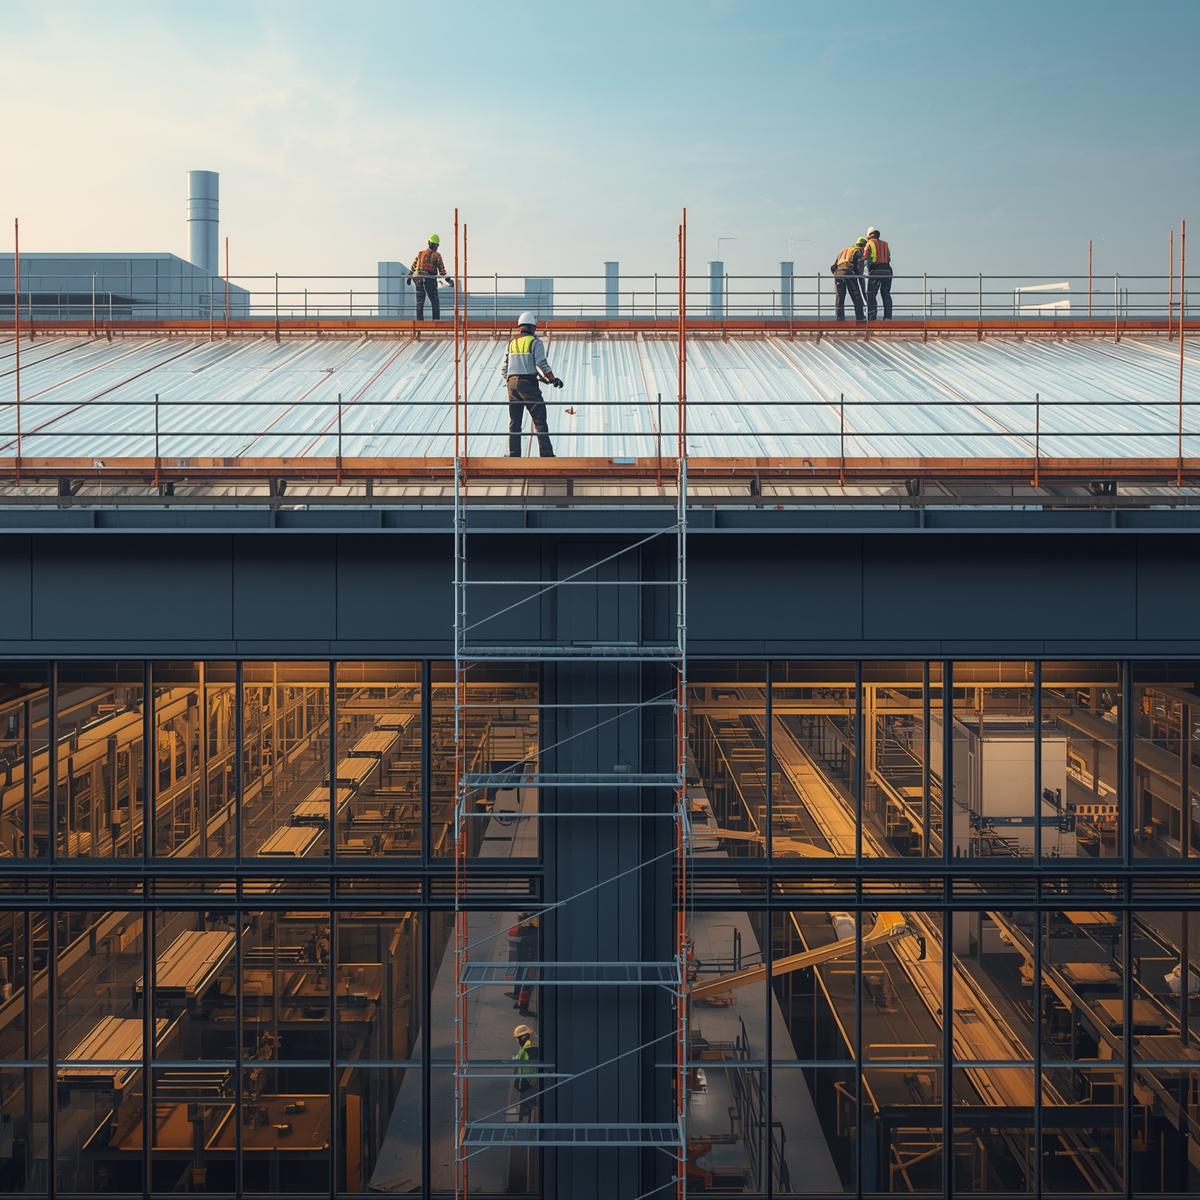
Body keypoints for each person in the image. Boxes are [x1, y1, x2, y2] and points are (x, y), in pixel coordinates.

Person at [500, 311, 562, 457]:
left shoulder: (512, 343)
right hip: (528, 384)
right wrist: (553, 379)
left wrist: (511, 380)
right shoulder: (535, 342)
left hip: (512, 385)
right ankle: (546, 454)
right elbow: (542, 363)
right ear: (533, 328)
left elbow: (504, 368)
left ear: (520, 327)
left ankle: (514, 454)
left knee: (515, 422)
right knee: (539, 419)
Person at [406, 233, 452, 320]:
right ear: (437, 245)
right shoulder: (437, 255)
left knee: (420, 301)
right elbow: (442, 270)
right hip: (430, 278)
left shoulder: (420, 254)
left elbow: (413, 266)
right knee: (434, 301)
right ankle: (436, 320)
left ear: (429, 242)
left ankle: (419, 321)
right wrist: (448, 280)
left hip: (418, 278)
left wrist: (410, 276)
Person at [505, 913, 538, 1016]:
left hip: (523, 961)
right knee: (527, 986)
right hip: (529, 962)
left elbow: (513, 944)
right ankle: (522, 1007)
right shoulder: (531, 933)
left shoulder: (520, 932)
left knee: (523, 983)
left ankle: (519, 1001)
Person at [830, 237, 866, 322]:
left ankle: (839, 319)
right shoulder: (858, 252)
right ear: (863, 246)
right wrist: (859, 277)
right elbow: (859, 269)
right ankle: (860, 319)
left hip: (838, 273)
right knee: (856, 296)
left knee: (840, 297)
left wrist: (837, 274)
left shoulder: (844, 250)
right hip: (849, 273)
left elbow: (833, 267)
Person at [863, 226, 893, 321]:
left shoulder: (869, 243)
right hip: (887, 271)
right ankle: (887, 317)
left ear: (869, 236)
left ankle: (872, 319)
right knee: (886, 294)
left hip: (875, 270)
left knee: (871, 295)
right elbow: (888, 258)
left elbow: (865, 257)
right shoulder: (885, 244)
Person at [511, 1023, 539, 1121]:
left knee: (528, 1103)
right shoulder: (527, 1047)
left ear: (523, 1037)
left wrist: (529, 1084)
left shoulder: (531, 1049)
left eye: (518, 1038)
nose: (517, 1041)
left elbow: (531, 1070)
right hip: (527, 1084)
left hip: (530, 1086)